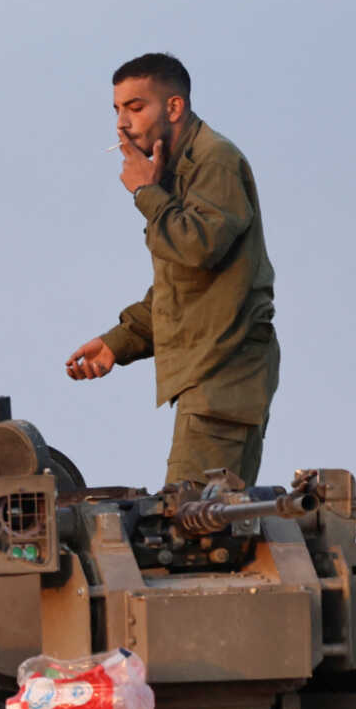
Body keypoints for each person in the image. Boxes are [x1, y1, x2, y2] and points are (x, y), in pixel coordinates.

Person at [65, 52, 277, 488]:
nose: (122, 123)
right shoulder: (178, 169)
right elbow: (182, 285)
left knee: (194, 523)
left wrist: (146, 190)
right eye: (117, 109)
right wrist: (116, 343)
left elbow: (197, 248)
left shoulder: (213, 161)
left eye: (136, 107)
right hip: (211, 379)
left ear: (174, 107)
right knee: (201, 525)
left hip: (223, 378)